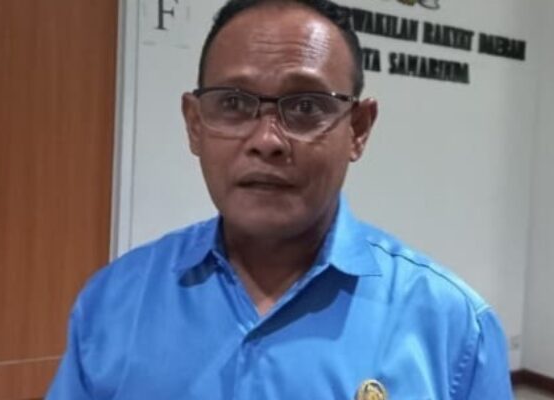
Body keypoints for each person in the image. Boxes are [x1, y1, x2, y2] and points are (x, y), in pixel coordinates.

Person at [47, 0, 513, 398]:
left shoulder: (454, 328)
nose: (266, 140)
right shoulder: (112, 303)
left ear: (358, 129)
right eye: (233, 103)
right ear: (194, 124)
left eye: (306, 107)